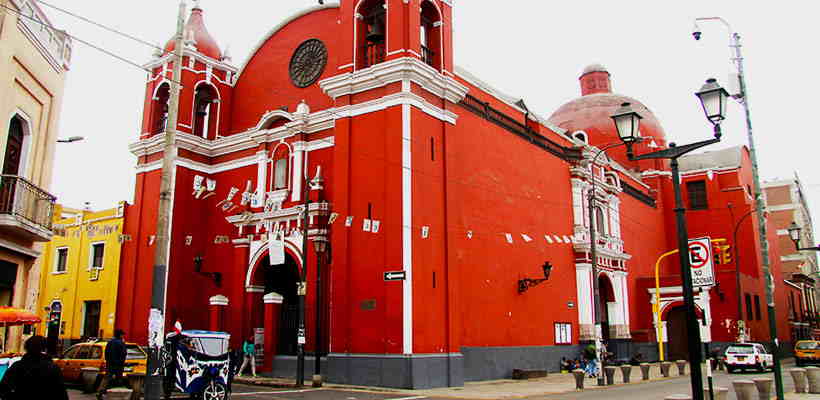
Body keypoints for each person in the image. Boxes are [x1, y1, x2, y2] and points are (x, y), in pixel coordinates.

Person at [0, 335, 69, 400]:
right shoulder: (53, 368)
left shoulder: (17, 366)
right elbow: (61, 393)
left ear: (26, 348)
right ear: (44, 348)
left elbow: (3, 389)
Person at [97, 329, 127, 400]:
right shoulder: (120, 343)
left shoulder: (110, 342)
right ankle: (116, 394)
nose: (123, 336)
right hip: (119, 364)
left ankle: (100, 392)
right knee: (118, 378)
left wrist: (108, 360)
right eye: (122, 334)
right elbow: (124, 353)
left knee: (107, 378)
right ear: (120, 335)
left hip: (110, 363)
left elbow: (106, 352)